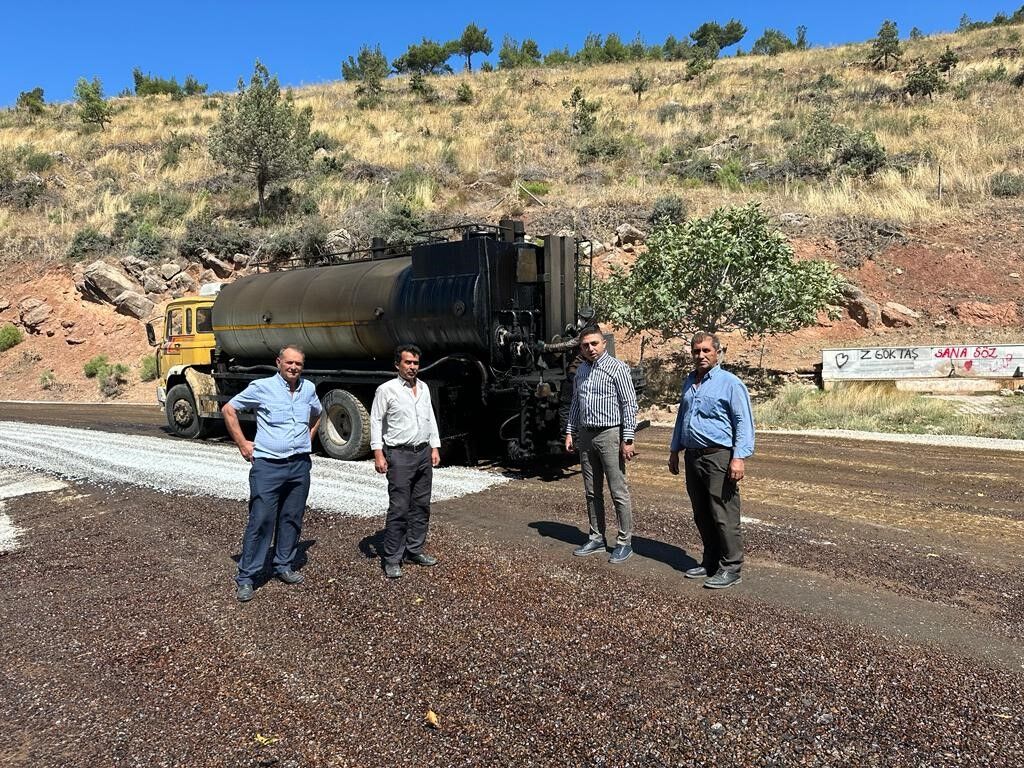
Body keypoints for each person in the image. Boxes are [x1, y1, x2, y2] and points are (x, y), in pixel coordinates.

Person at [222, 345, 321, 603]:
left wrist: (307, 440)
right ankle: (247, 577)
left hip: (299, 465)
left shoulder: (308, 389)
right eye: (289, 362)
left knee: (292, 517)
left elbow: (318, 414)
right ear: (278, 362)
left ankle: (283, 565)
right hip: (268, 466)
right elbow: (229, 410)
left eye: (298, 364)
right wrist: (243, 444)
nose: (293, 367)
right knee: (261, 520)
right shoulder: (261, 387)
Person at [668, 332, 754, 590]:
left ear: (718, 352)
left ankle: (731, 567)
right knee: (702, 513)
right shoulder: (689, 382)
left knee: (723, 514)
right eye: (696, 351)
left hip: (719, 456)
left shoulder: (730, 383)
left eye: (706, 350)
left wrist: (738, 457)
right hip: (693, 456)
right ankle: (711, 561)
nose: (701, 355)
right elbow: (682, 417)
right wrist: (674, 450)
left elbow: (743, 422)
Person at [565, 326, 639, 564]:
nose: (590, 348)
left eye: (594, 343)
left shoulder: (617, 368)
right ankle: (596, 538)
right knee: (591, 491)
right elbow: (576, 403)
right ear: (581, 348)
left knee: (618, 491)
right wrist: (570, 432)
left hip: (610, 434)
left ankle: (624, 542)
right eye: (585, 345)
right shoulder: (581, 371)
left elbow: (629, 404)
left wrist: (628, 439)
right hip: (586, 435)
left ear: (604, 343)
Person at [370, 343, 441, 579]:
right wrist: (378, 453)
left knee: (421, 505)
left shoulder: (424, 388)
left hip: (423, 453)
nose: (412, 367)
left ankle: (414, 550)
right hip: (399, 455)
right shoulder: (386, 390)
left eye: (415, 363)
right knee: (399, 508)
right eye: (408, 362)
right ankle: (392, 558)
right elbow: (375, 421)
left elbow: (430, 417)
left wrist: (434, 446)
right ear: (397, 364)